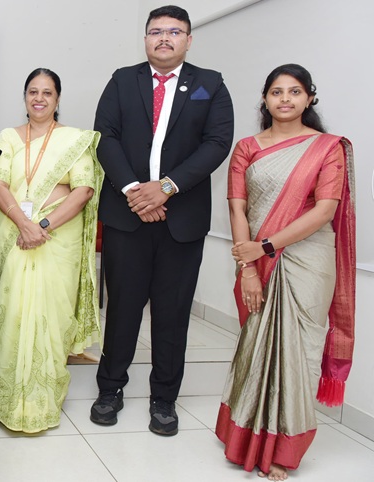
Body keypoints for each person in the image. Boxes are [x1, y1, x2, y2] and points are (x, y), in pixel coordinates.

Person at [91, 5, 234, 435]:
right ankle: (110, 389)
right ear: (145, 39)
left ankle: (164, 398)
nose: (164, 38)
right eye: (156, 31)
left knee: (172, 314)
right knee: (122, 309)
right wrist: (135, 191)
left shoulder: (210, 84)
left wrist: (167, 187)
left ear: (189, 40)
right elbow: (105, 137)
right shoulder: (122, 80)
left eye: (174, 31)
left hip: (181, 219)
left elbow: (217, 143)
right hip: (127, 214)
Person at [216, 64, 355, 481]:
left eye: (295, 92)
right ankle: (244, 437)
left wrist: (266, 246)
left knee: (298, 352)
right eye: (277, 92)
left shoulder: (327, 148)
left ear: (309, 98)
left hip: (308, 260)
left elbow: (325, 210)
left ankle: (284, 449)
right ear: (265, 99)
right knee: (256, 345)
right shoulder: (247, 147)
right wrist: (248, 267)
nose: (285, 99)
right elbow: (237, 208)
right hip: (256, 260)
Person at [0, 68, 104, 433]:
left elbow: (83, 190)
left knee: (51, 319)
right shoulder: (9, 136)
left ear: (57, 99)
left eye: (47, 92)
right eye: (33, 91)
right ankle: (5, 400)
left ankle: (41, 402)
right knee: (13, 314)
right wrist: (24, 223)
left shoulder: (74, 140)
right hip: (17, 236)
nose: (39, 98)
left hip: (57, 241)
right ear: (24, 97)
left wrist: (42, 226)